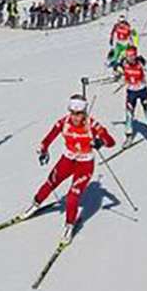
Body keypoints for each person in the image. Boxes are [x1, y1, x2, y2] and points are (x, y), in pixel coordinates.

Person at [21, 94, 115, 243]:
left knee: (73, 196)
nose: (74, 117)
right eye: (72, 112)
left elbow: (111, 142)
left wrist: (100, 142)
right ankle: (34, 205)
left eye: (78, 113)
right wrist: (43, 149)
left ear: (84, 113)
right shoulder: (64, 122)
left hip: (85, 164)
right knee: (51, 182)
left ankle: (69, 226)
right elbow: (49, 137)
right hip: (67, 159)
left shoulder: (92, 125)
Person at [113, 52, 147, 149]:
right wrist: (117, 71)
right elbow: (116, 73)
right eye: (128, 56)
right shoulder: (124, 63)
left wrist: (145, 63)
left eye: (132, 56)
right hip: (131, 92)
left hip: (142, 91)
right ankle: (129, 137)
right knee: (129, 115)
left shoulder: (140, 62)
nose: (130, 58)